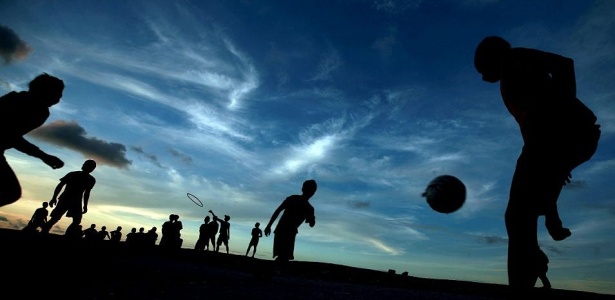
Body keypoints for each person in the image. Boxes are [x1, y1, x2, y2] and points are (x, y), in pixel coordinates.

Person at [474, 36, 600, 292]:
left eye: (481, 69)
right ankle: (531, 262)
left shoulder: (513, 59)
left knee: (517, 215)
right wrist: (551, 206)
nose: (483, 78)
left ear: (491, 58)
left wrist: (564, 123)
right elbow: (538, 162)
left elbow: (565, 65)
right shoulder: (512, 86)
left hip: (560, 138)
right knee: (521, 214)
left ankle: (528, 269)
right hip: (549, 144)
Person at [0, 73, 65, 207]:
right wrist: (43, 156)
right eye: (58, 93)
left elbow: (11, 136)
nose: (59, 97)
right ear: (44, 92)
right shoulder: (17, 100)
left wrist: (43, 156)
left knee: (10, 192)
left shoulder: (41, 112)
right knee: (10, 192)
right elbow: (9, 134)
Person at [264, 179, 318, 263]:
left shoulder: (308, 208)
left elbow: (311, 224)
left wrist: (312, 219)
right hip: (283, 230)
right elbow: (278, 211)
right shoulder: (295, 200)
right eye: (310, 190)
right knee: (283, 257)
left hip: (288, 232)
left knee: (283, 257)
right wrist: (269, 226)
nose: (310, 192)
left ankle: (272, 273)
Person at [42, 159, 97, 234]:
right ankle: (44, 232)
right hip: (66, 198)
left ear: (91, 168)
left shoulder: (90, 180)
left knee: (76, 220)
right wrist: (54, 197)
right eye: (84, 163)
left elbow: (87, 193)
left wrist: (85, 205)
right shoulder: (73, 174)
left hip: (75, 201)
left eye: (85, 164)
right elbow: (60, 185)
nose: (83, 165)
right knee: (55, 218)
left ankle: (67, 235)